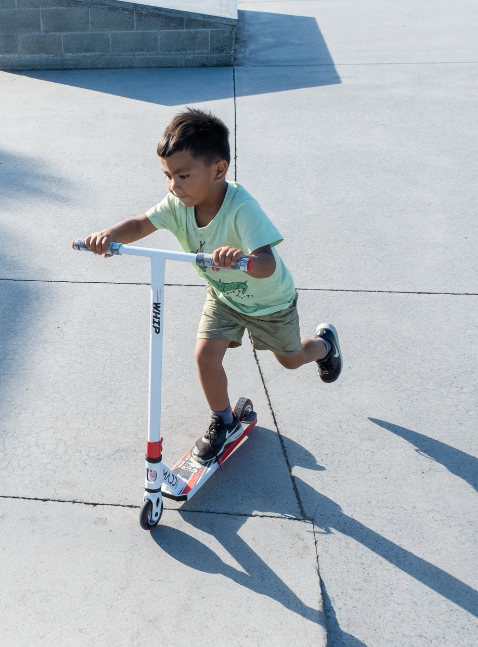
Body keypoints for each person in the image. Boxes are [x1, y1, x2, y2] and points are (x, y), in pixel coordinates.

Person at [83, 109, 342, 465]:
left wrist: (241, 259)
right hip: (223, 297)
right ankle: (224, 420)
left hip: (270, 302)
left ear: (218, 170)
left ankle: (324, 345)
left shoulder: (242, 209)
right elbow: (141, 224)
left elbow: (268, 264)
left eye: (183, 175)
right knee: (205, 356)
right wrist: (110, 235)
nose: (174, 185)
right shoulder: (178, 204)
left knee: (291, 359)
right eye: (167, 176)